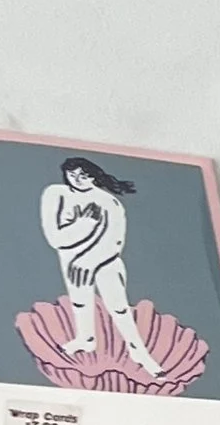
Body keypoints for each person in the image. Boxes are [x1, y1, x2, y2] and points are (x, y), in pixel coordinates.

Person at [40, 157, 161, 379]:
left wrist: (88, 260)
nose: (77, 179)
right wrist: (85, 224)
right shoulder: (54, 194)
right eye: (72, 175)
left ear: (93, 176)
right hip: (71, 262)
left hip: (105, 262)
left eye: (83, 175)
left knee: (119, 308)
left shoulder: (108, 202)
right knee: (80, 301)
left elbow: (115, 242)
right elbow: (56, 238)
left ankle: (140, 352)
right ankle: (85, 339)